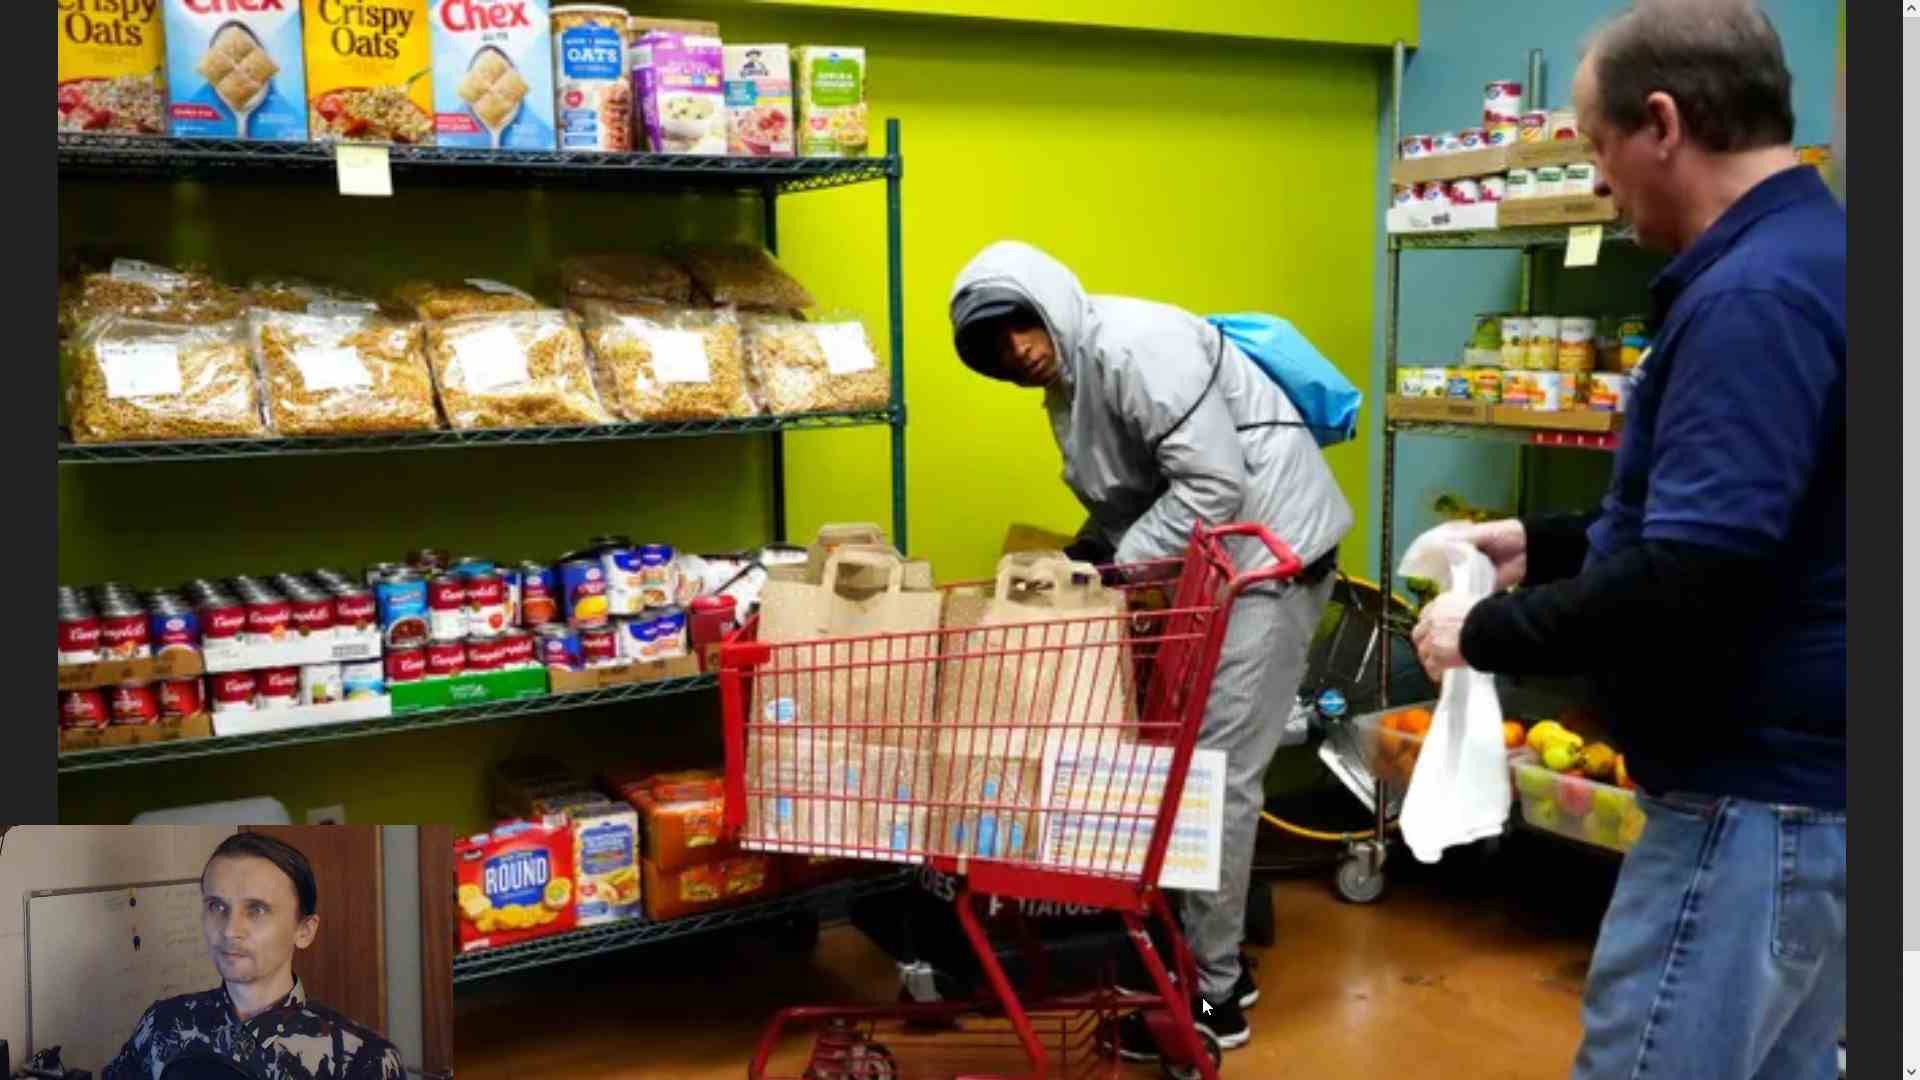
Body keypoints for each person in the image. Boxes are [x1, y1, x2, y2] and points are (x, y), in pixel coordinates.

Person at [1410, 3, 1844, 1078]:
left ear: (1662, 123)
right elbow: (1756, 514)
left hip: (1746, 803)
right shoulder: (1821, 255)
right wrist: (1546, 543)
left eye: (1598, 147)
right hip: (1815, 794)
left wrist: (1485, 633)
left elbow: (1693, 574)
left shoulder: (1754, 298)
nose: (1599, 181)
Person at [948, 240, 1354, 1055]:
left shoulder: (1135, 347)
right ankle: (1204, 963)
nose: (1014, 351)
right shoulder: (1074, 381)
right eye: (993, 348)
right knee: (1190, 771)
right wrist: (1085, 551)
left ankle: (1213, 997)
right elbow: (1136, 485)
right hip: (1225, 566)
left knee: (1216, 776)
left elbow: (1213, 485)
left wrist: (1117, 561)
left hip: (1269, 562)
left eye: (1018, 325)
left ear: (1049, 302)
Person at [102, 833, 406, 1080]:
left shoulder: (363, 1061)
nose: (230, 930)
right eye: (216, 906)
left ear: (304, 930)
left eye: (256, 909)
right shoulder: (163, 1024)